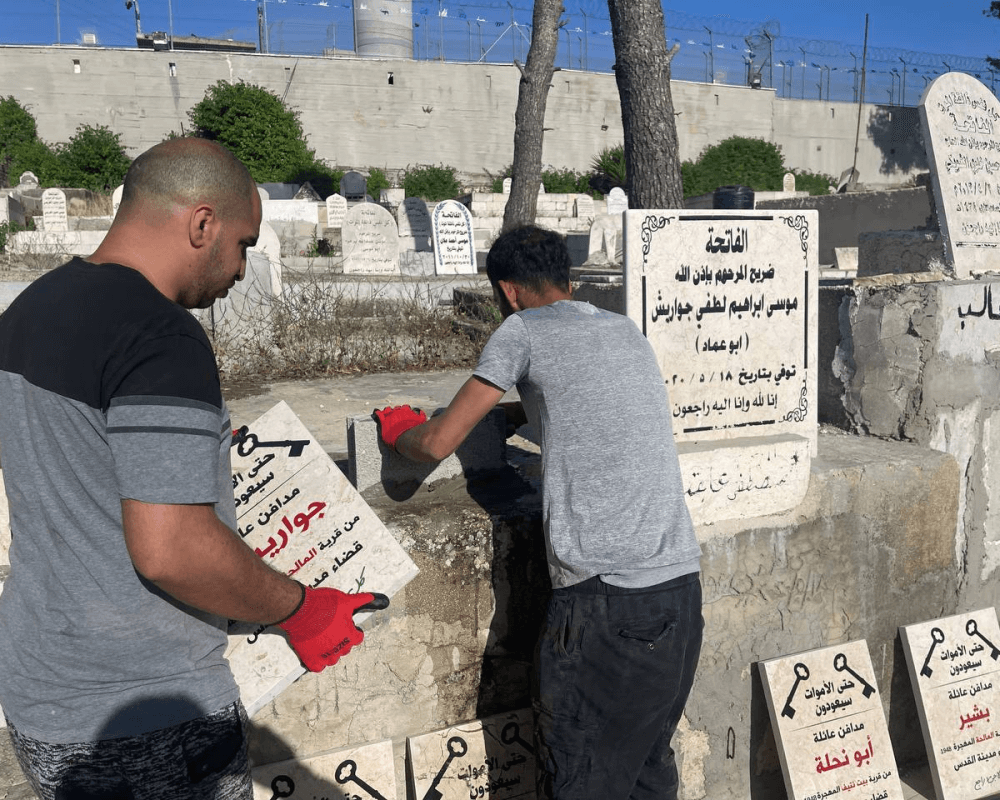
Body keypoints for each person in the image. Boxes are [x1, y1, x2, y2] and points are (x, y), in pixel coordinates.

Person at [0, 138, 374, 800]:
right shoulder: (156, 335)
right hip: (149, 712)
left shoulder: (33, 307)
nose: (240, 269)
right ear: (203, 224)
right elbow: (170, 550)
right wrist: (300, 608)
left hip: (43, 695)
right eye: (244, 244)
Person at [374, 225, 703, 800]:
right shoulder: (625, 330)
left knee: (581, 778)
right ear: (568, 279)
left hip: (606, 604)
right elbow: (592, 404)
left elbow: (438, 444)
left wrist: (402, 431)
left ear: (507, 289)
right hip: (678, 591)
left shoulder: (520, 331)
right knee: (647, 769)